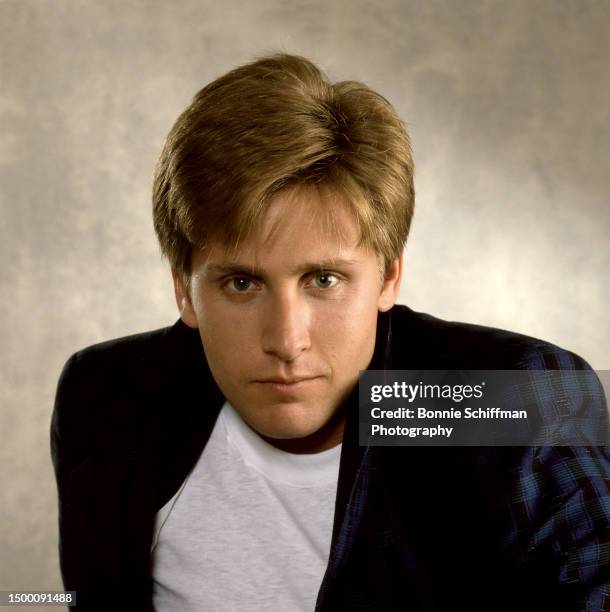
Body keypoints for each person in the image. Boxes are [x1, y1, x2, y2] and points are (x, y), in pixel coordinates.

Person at [51, 53, 610, 611]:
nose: (287, 340)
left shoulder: (508, 403)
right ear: (184, 290)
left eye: (323, 279)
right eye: (242, 283)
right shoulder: (106, 394)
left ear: (389, 275)